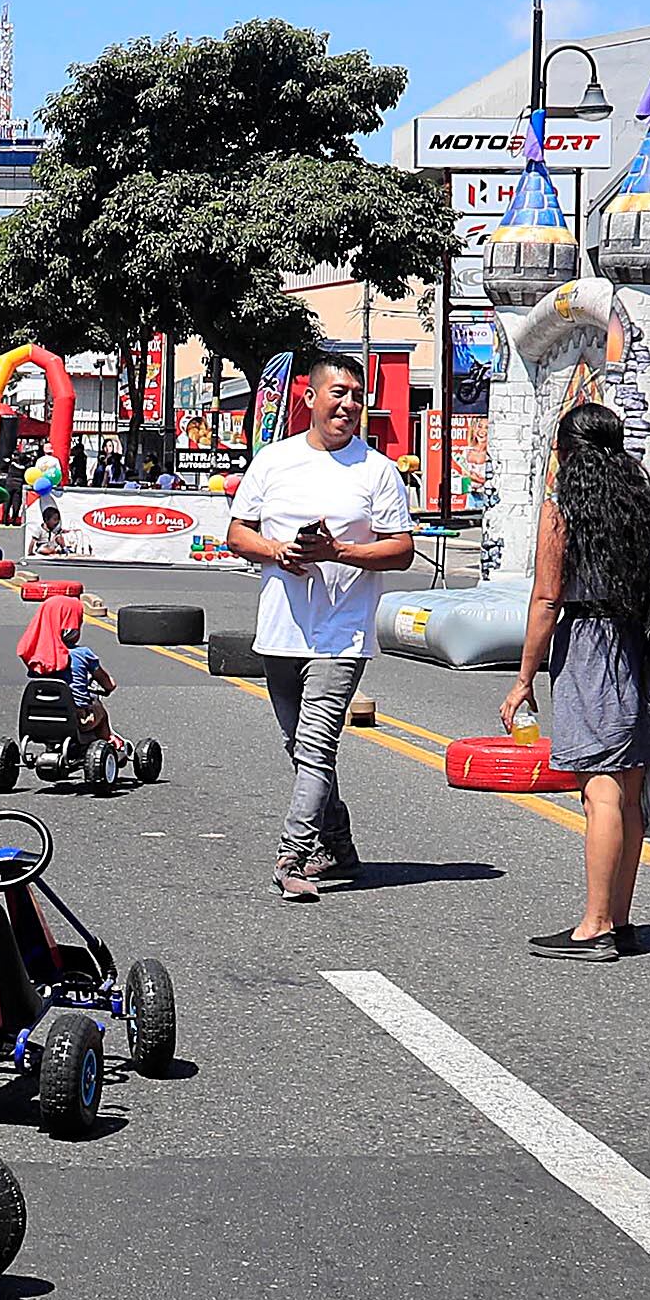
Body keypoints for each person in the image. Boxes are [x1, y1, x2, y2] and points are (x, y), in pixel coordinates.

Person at [227, 349, 419, 903]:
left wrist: (339, 551)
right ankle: (338, 838)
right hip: (282, 630)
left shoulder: (377, 471)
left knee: (316, 748)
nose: (350, 405)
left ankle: (293, 855)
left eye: (357, 396)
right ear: (309, 398)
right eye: (339, 394)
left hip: (343, 633)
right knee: (298, 747)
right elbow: (238, 534)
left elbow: (402, 551)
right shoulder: (274, 462)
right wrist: (277, 549)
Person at [501, 401, 650, 960]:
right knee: (628, 794)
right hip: (644, 650)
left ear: (564, 451)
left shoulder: (563, 508)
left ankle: (595, 925)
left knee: (599, 791)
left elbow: (547, 598)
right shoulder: (646, 506)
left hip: (592, 650)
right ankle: (621, 920)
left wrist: (523, 678)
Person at [18, 587, 117, 746]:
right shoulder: (83, 654)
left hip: (38, 719)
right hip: (77, 719)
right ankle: (107, 741)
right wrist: (109, 686)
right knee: (100, 710)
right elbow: (107, 683)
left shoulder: (37, 657)